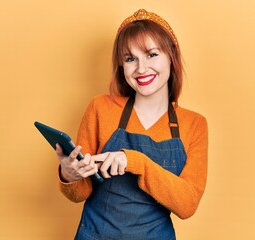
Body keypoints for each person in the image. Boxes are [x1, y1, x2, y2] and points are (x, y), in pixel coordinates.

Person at [55, 9, 208, 240]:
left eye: (151, 54)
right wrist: (69, 174)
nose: (141, 68)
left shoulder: (194, 124)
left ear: (171, 56)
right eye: (130, 59)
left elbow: (187, 205)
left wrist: (135, 162)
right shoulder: (101, 108)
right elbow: (80, 193)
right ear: (121, 66)